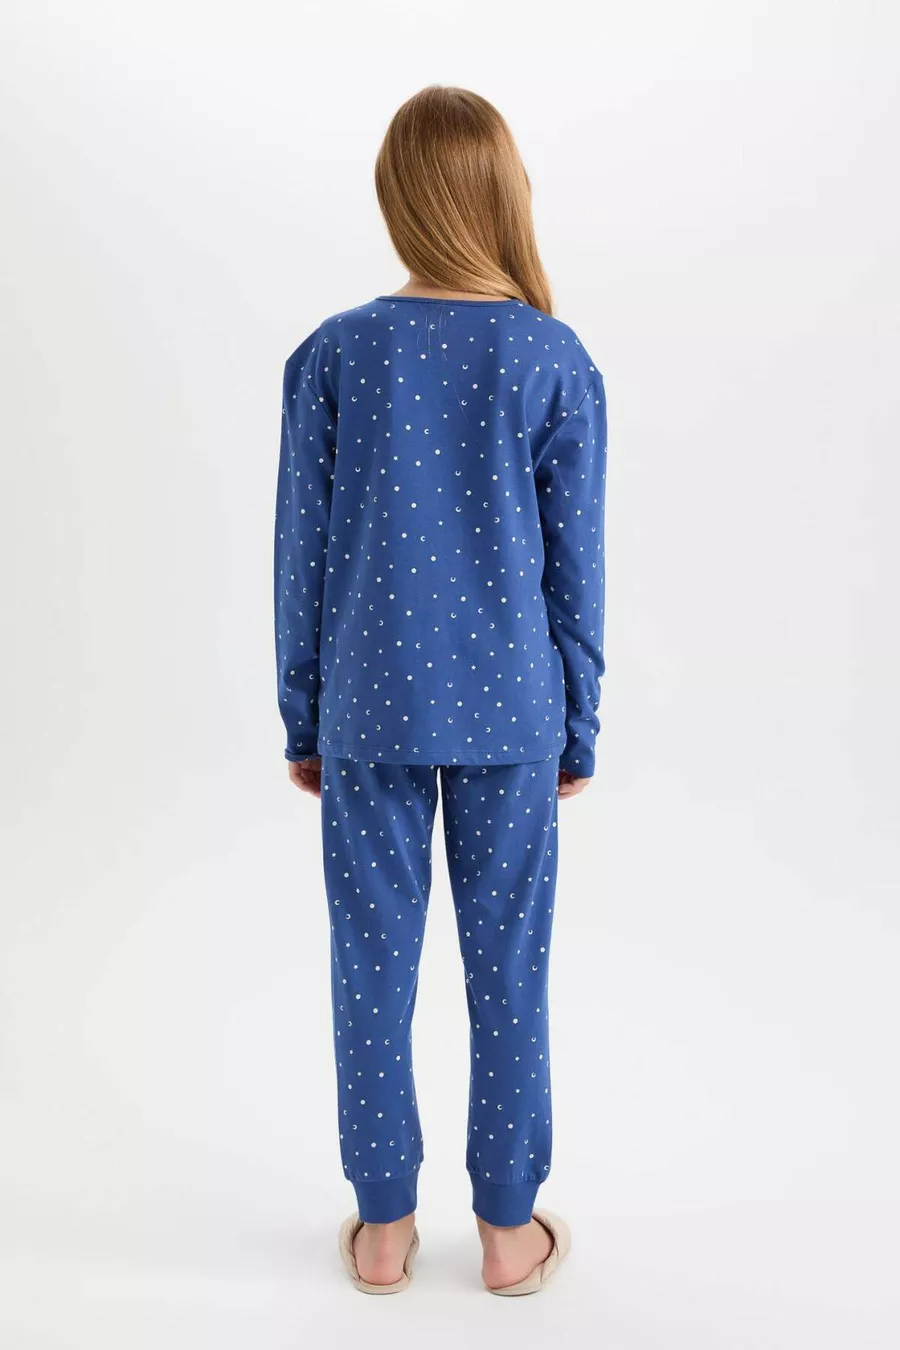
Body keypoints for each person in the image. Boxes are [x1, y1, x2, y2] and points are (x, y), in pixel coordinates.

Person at [274, 85, 607, 1296]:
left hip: (369, 708)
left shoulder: (335, 354)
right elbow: (576, 565)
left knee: (370, 965)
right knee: (508, 967)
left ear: (398, 197)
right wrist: (579, 722)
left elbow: (302, 555)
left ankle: (382, 1228)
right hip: (513, 712)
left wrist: (303, 710)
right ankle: (509, 1235)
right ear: (502, 195)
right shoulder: (551, 357)